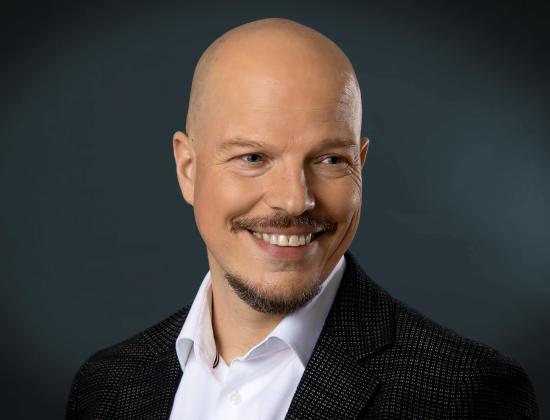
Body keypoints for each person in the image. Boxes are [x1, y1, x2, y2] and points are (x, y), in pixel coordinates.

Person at [66, 17, 539, 419]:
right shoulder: (105, 387)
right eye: (253, 158)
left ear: (360, 164)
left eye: (330, 160)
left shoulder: (468, 395)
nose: (294, 201)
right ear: (188, 169)